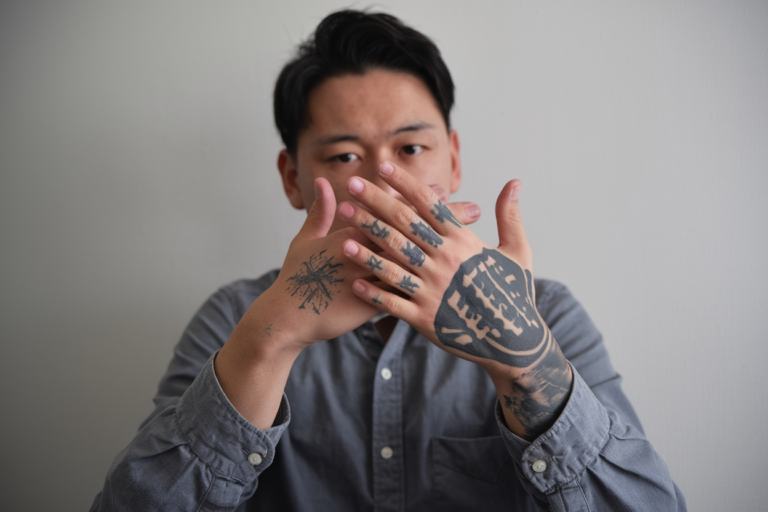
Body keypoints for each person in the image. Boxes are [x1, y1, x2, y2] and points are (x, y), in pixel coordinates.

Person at [91, 10, 686, 511]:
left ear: (453, 159)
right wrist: (269, 342)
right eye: (344, 157)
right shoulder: (235, 319)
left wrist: (524, 361)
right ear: (292, 178)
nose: (385, 181)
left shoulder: (545, 312)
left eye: (412, 148)